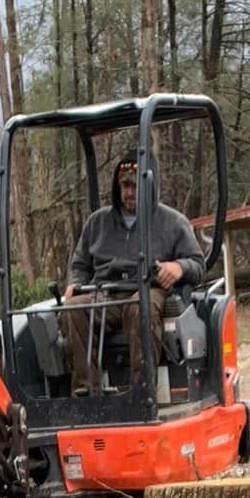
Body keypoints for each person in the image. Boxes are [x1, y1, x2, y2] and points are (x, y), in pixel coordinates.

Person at [61, 150, 204, 394]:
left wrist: (178, 267)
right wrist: (75, 283)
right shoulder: (97, 223)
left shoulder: (173, 222)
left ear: (150, 185)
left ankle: (142, 391)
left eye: (135, 185)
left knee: (142, 307)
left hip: (148, 289)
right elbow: (80, 266)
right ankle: (87, 393)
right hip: (105, 294)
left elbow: (198, 264)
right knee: (73, 310)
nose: (129, 192)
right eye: (125, 185)